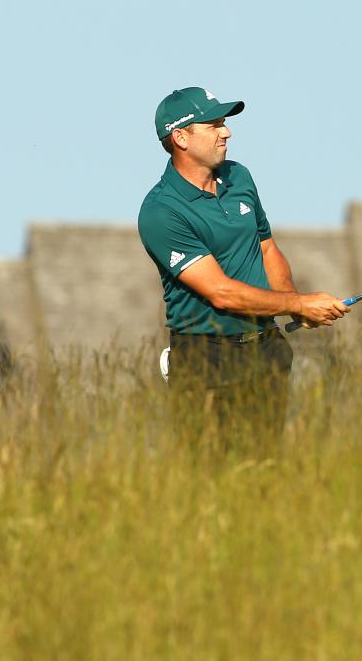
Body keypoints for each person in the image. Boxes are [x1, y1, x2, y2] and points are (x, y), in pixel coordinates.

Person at [137, 87, 347, 454]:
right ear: (181, 137)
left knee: (263, 471)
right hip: (207, 358)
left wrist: (293, 300)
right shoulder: (161, 211)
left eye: (225, 123)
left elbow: (267, 247)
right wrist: (296, 306)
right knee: (212, 478)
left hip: (265, 351)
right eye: (214, 124)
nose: (227, 132)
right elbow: (221, 292)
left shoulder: (240, 178)